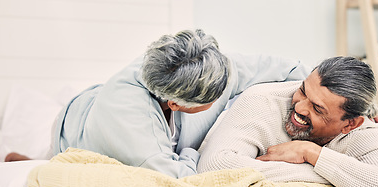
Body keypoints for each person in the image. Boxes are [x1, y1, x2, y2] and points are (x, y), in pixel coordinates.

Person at [49, 29, 311, 178]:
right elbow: (184, 178)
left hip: (103, 99)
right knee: (49, 160)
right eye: (214, 98)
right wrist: (202, 150)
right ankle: (24, 158)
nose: (226, 91)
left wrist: (309, 97)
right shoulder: (141, 142)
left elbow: (289, 69)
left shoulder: (197, 65)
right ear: (175, 104)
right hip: (76, 129)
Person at [197, 56, 378, 187]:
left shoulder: (366, 131)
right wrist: (342, 179)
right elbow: (215, 166)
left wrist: (311, 154)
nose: (300, 107)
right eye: (303, 91)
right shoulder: (261, 101)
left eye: (317, 109)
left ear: (349, 124)